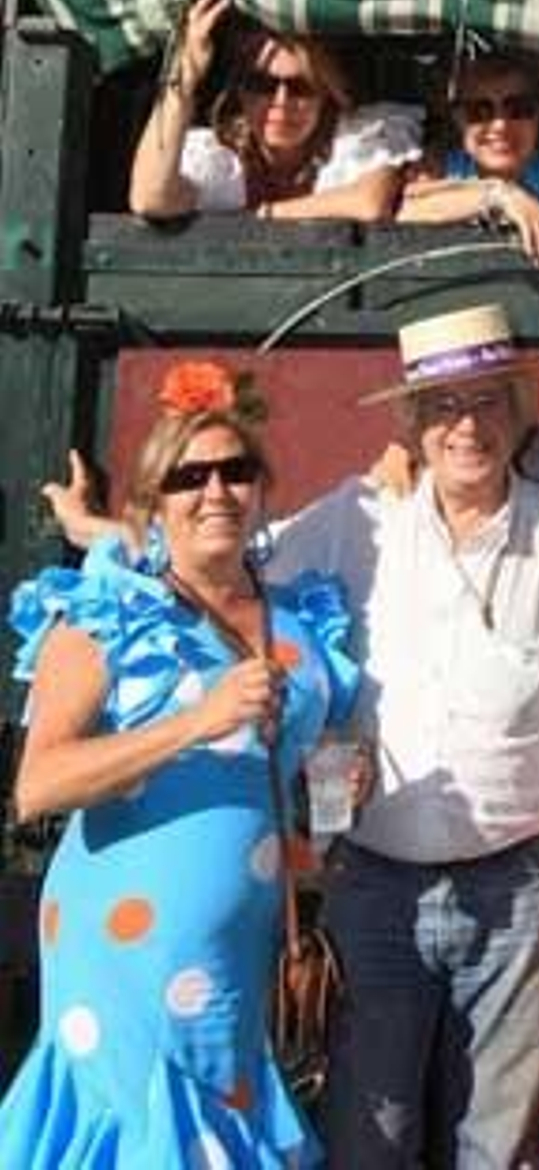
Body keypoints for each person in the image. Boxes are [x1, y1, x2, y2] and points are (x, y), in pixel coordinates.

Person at [43, 301, 539, 1166]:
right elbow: (214, 549)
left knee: (499, 1141)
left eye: (489, 402)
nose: (468, 427)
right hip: (376, 883)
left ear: (519, 414)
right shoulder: (359, 521)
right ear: (413, 424)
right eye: (444, 408)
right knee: (368, 1137)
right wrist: (107, 535)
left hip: (522, 884)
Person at [0, 362, 358, 1167]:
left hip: (236, 955)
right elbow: (38, 785)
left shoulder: (302, 623)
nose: (216, 492)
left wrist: (337, 805)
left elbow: (312, 768)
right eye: (188, 477)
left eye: (236, 471)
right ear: (154, 503)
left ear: (263, 488)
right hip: (121, 949)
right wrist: (196, 720)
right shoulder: (111, 613)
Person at [128, 0, 420, 221]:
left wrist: (266, 215)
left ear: (327, 94)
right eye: (263, 86)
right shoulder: (216, 159)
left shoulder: (362, 138)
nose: (281, 102)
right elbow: (150, 199)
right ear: (240, 93)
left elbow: (369, 203)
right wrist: (185, 78)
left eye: (300, 88)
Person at [398, 48, 539, 265]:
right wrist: (499, 196)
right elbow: (399, 207)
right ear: (457, 119)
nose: (500, 125)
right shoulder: (443, 162)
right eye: (478, 111)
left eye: (519, 108)